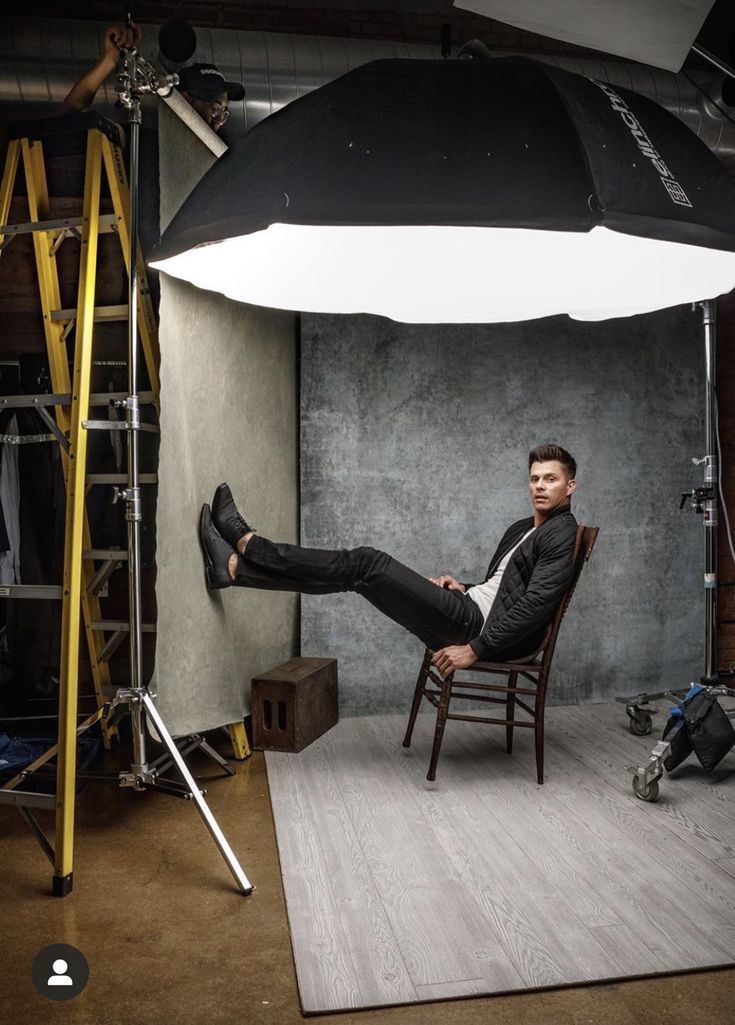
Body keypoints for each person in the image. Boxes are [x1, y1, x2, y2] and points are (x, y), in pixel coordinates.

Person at [198, 444, 578, 677]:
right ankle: (234, 570)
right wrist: (465, 586)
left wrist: (475, 649)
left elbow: (534, 607)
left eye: (550, 480)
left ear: (570, 486)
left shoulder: (561, 532)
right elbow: (505, 588)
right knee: (359, 576)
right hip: (468, 608)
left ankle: (249, 545)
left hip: (475, 629)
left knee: (367, 563)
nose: (540, 487)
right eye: (534, 479)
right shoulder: (524, 527)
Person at [60, 24, 245, 134]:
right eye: (215, 109)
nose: (219, 120)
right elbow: (69, 116)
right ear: (187, 101)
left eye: (224, 113)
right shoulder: (148, 144)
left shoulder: (218, 166)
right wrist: (109, 60)